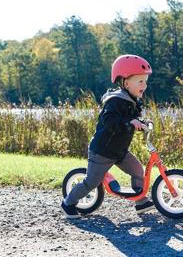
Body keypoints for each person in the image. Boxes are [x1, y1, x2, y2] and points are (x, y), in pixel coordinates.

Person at [61, 54, 155, 218]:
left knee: (138, 171)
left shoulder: (133, 101)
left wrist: (141, 122)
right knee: (91, 182)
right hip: (102, 152)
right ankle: (68, 202)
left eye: (145, 81)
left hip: (119, 152)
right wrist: (129, 122)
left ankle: (140, 202)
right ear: (126, 83)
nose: (144, 85)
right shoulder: (115, 101)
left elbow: (132, 119)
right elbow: (109, 120)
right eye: (140, 81)